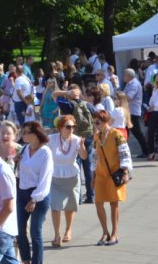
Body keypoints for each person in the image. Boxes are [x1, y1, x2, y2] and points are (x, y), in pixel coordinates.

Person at [17, 122, 53, 264]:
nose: (23, 135)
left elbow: (45, 179)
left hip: (39, 194)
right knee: (19, 229)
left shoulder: (45, 152)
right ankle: (26, 261)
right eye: (22, 132)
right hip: (22, 192)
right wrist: (17, 161)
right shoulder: (25, 149)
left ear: (35, 134)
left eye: (26, 133)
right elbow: (21, 173)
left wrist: (34, 199)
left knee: (35, 230)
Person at [92, 110, 132, 246]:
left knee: (114, 203)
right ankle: (105, 232)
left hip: (114, 173)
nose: (96, 125)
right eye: (95, 123)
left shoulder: (116, 134)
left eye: (98, 122)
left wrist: (125, 172)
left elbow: (125, 154)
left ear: (106, 121)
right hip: (100, 174)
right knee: (98, 203)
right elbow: (94, 157)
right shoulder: (97, 137)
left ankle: (115, 233)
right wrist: (93, 175)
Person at [52, 84, 96, 203]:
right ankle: (91, 195)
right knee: (88, 167)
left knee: (75, 166)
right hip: (88, 137)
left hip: (75, 138)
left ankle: (78, 197)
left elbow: (54, 94)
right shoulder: (87, 105)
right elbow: (96, 116)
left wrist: (66, 93)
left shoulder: (68, 105)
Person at [48, 116, 87, 247]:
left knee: (70, 206)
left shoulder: (76, 140)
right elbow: (44, 153)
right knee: (55, 206)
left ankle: (68, 230)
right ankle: (57, 234)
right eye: (68, 127)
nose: (71, 129)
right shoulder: (52, 139)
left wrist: (82, 146)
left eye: (73, 127)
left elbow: (84, 156)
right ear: (60, 128)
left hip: (71, 175)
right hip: (55, 175)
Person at [122, 69, 149, 158]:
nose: (123, 77)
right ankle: (123, 152)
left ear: (130, 76)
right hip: (128, 111)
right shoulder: (129, 84)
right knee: (125, 132)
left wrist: (118, 96)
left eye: (125, 75)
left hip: (133, 112)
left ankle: (146, 151)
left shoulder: (134, 84)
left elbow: (129, 97)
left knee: (137, 132)